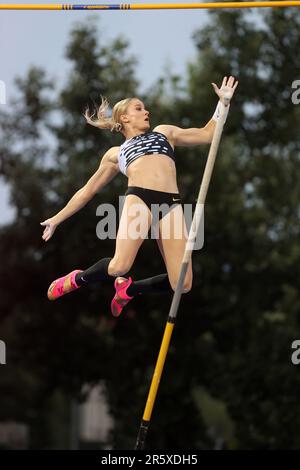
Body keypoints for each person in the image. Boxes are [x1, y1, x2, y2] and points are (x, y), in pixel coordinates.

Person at [41, 76, 238, 317]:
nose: (147, 111)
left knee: (182, 284)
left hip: (171, 204)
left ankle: (129, 290)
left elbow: (208, 134)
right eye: (139, 108)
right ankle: (77, 278)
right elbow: (87, 190)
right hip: (140, 198)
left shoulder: (164, 133)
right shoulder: (116, 153)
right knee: (119, 265)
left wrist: (223, 104)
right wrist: (56, 219)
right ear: (124, 117)